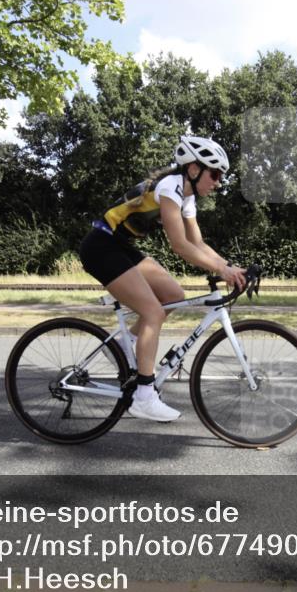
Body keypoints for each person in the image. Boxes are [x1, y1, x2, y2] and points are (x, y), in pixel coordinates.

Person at [79, 136, 247, 422]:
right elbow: (180, 245)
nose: (218, 182)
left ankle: (125, 343)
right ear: (193, 169)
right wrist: (221, 270)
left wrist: (229, 266)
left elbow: (197, 242)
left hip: (122, 248)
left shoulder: (187, 195)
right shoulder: (170, 187)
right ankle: (144, 396)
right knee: (153, 312)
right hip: (100, 247)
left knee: (173, 296)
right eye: (215, 174)